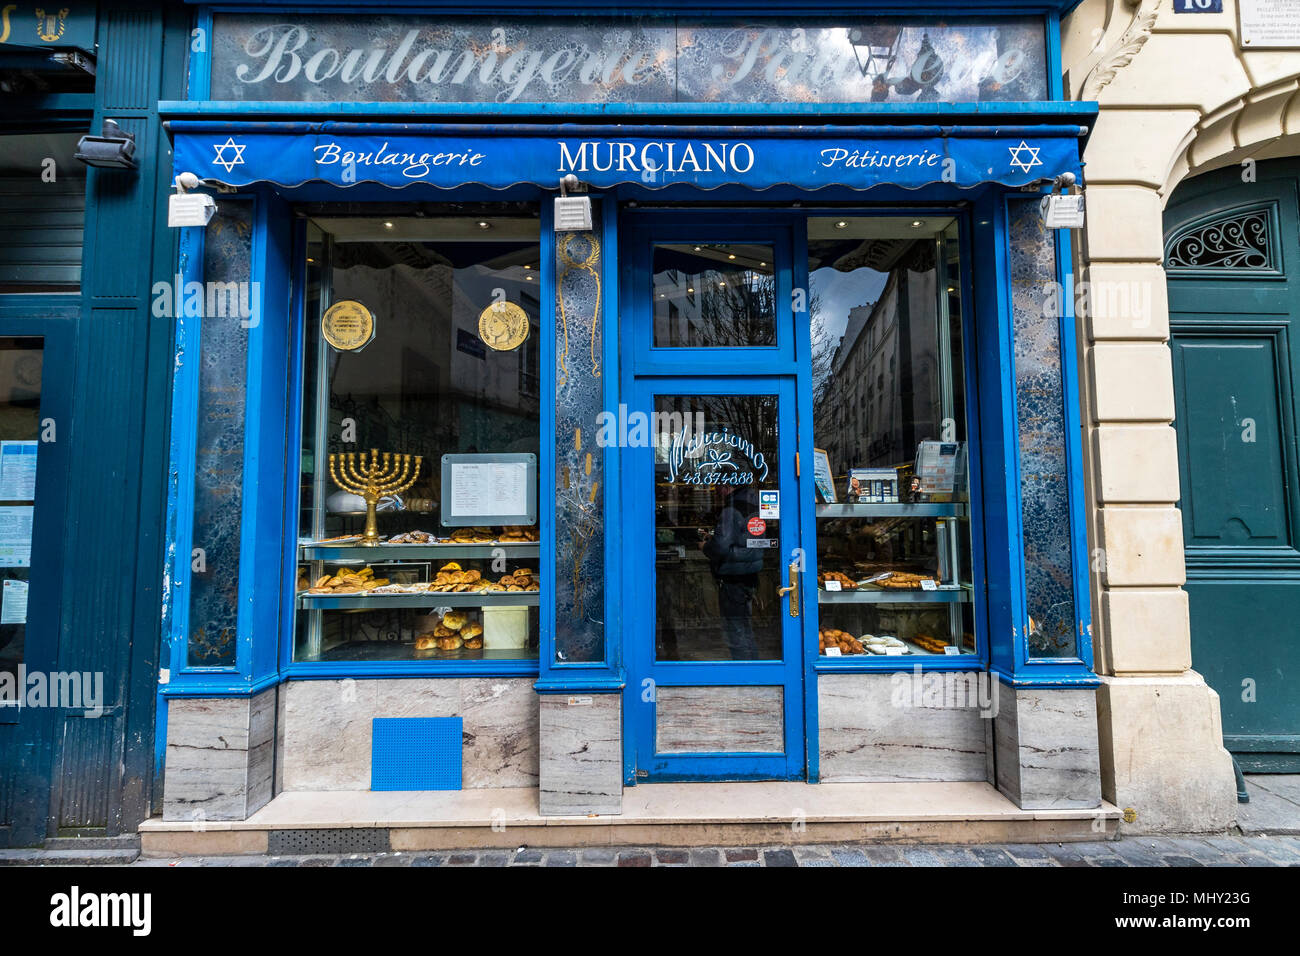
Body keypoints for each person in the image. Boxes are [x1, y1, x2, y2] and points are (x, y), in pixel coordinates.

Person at [700, 481, 764, 660]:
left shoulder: (731, 508)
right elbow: (743, 539)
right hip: (750, 574)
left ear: (727, 486)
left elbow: (720, 547)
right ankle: (753, 667)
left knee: (735, 628)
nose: (717, 491)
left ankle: (744, 671)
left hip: (734, 576)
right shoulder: (754, 503)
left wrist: (706, 546)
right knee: (745, 625)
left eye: (718, 486)